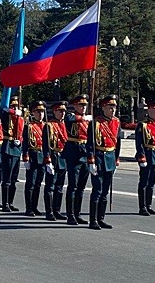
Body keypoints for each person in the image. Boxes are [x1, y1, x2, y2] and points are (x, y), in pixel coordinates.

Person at [87, 94, 121, 230]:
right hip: (99, 157)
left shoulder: (116, 122)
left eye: (114, 107)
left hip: (110, 158)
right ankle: (93, 220)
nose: (113, 110)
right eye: (110, 107)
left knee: (105, 190)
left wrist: (116, 159)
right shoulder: (96, 123)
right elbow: (90, 144)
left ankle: (101, 218)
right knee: (97, 190)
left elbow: (118, 143)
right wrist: (91, 161)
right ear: (103, 108)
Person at [63, 94, 92, 225]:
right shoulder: (71, 117)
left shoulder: (87, 120)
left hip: (85, 154)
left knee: (81, 187)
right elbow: (69, 120)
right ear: (75, 106)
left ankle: (78, 213)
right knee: (73, 186)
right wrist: (82, 118)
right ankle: (70, 215)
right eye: (81, 105)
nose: (83, 107)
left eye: (85, 105)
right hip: (74, 155)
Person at [135, 99, 155, 216]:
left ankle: (148, 205)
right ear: (149, 110)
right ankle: (142, 207)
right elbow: (139, 143)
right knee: (144, 182)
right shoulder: (143, 125)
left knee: (152, 183)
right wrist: (141, 157)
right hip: (147, 155)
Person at [42, 101, 69, 221]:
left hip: (63, 157)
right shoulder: (49, 126)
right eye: (60, 111)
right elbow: (46, 145)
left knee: (60, 186)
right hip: (53, 156)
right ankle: (49, 212)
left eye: (63, 111)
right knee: (50, 186)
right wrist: (47, 161)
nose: (62, 114)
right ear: (54, 112)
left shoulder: (65, 125)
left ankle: (57, 210)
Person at [0, 96, 24, 212]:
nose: (15, 108)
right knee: (7, 178)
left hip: (17, 148)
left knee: (14, 179)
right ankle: (5, 203)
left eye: (17, 106)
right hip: (8, 147)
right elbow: (2, 109)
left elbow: (21, 132)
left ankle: (11, 202)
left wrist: (20, 142)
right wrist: (13, 111)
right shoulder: (6, 116)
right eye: (13, 106)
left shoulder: (20, 118)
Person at [21, 100, 46, 217]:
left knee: (38, 184)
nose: (40, 114)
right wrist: (25, 157)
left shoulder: (46, 126)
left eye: (42, 111)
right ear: (33, 113)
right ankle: (29, 208)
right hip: (33, 155)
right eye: (38, 111)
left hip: (43, 156)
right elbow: (25, 143)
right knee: (30, 183)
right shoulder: (29, 127)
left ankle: (35, 207)